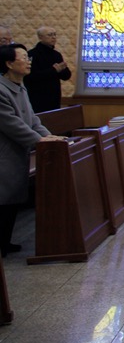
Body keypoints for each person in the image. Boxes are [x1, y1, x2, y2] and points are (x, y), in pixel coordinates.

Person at [1, 45, 62, 257]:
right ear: (9, 63)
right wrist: (39, 140)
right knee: (3, 198)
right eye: (24, 58)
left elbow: (33, 119)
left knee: (11, 200)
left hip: (18, 152)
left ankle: (5, 242)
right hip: (5, 153)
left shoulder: (21, 87)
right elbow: (12, 124)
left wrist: (49, 137)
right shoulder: (1, 90)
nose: (29, 62)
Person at [25, 27, 73, 113]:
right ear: (40, 37)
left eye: (54, 34)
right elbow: (30, 77)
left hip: (54, 97)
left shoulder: (56, 55)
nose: (53, 37)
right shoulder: (32, 54)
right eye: (50, 35)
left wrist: (62, 69)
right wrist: (53, 70)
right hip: (37, 97)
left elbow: (66, 76)